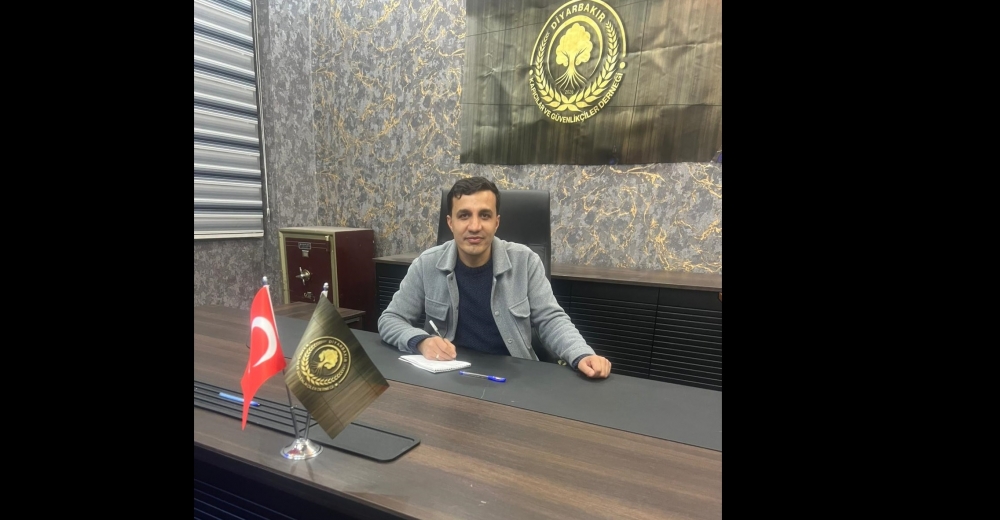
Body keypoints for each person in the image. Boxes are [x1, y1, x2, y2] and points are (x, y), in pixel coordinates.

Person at [378, 177, 612, 378]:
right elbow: (390, 319)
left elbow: (551, 320)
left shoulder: (525, 261)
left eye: (485, 215)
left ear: (496, 222)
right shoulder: (426, 264)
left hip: (514, 377)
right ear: (450, 223)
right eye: (464, 215)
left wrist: (581, 354)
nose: (474, 226)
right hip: (449, 374)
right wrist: (421, 341)